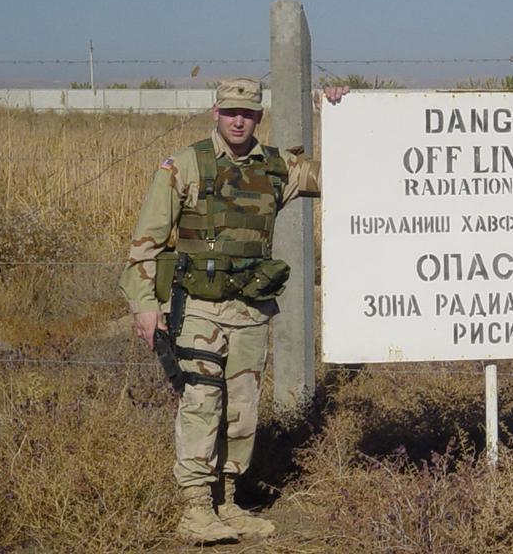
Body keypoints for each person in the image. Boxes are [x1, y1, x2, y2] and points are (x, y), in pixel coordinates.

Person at [119, 78, 348, 545]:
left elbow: (339, 174)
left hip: (250, 309)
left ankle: (227, 501)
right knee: (202, 402)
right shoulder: (185, 165)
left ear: (259, 117)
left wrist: (338, 113)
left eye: (247, 112)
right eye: (230, 112)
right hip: (198, 308)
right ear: (215, 112)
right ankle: (196, 509)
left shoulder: (277, 166)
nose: (238, 120)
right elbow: (145, 242)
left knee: (242, 410)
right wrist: (146, 307)